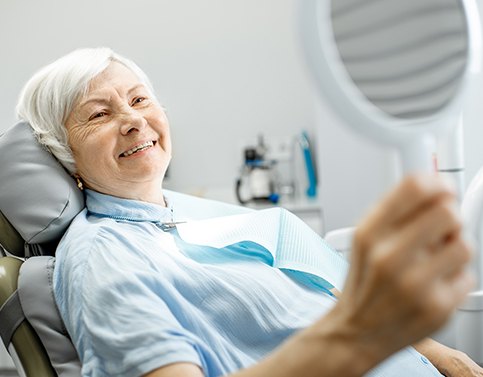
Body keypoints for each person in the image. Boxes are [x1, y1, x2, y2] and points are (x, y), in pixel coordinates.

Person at [15, 47, 483, 377]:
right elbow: (356, 320)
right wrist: (357, 334)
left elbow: (332, 297)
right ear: (65, 155)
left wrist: (444, 356)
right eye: (99, 114)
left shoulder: (189, 214)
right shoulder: (103, 256)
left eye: (139, 99)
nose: (133, 119)